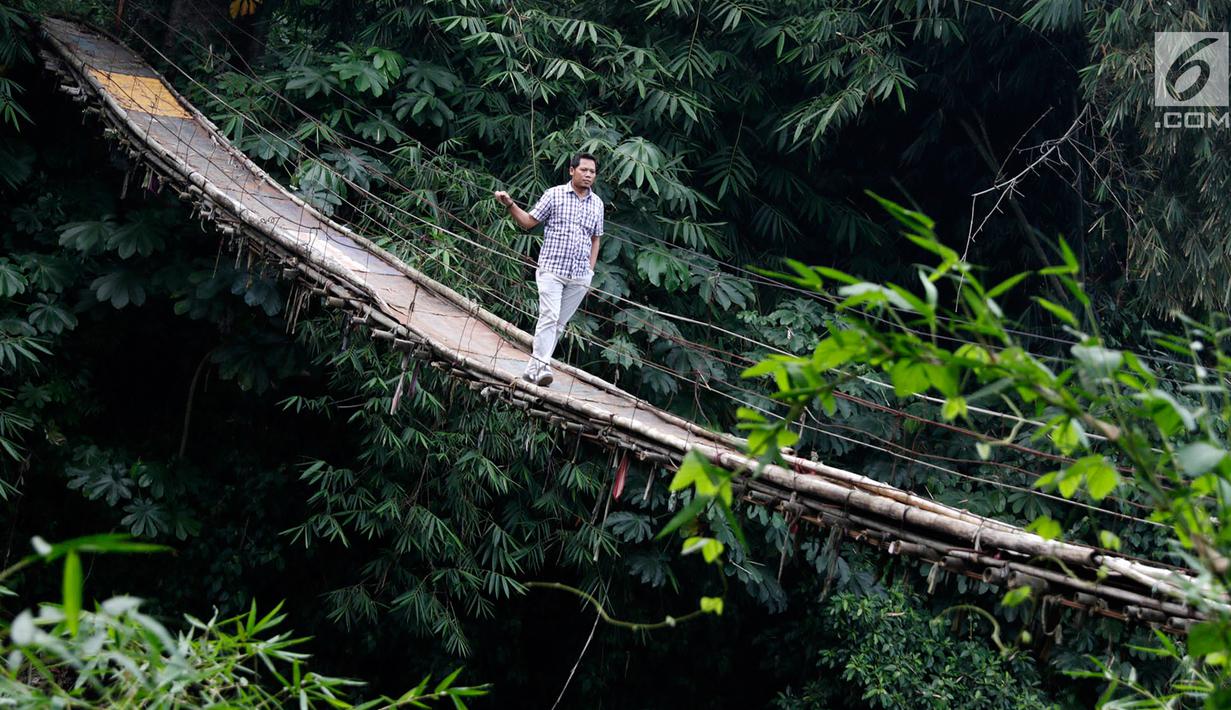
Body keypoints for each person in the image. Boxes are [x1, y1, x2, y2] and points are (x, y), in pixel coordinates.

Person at [494, 153, 604, 387]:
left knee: (559, 324)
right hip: (552, 270)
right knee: (549, 316)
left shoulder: (597, 204)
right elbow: (528, 222)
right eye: (584, 170)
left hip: (580, 275)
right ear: (571, 170)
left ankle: (532, 370)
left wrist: (590, 271)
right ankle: (543, 367)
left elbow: (596, 239)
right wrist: (510, 204)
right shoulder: (553, 195)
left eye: (592, 172)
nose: (588, 175)